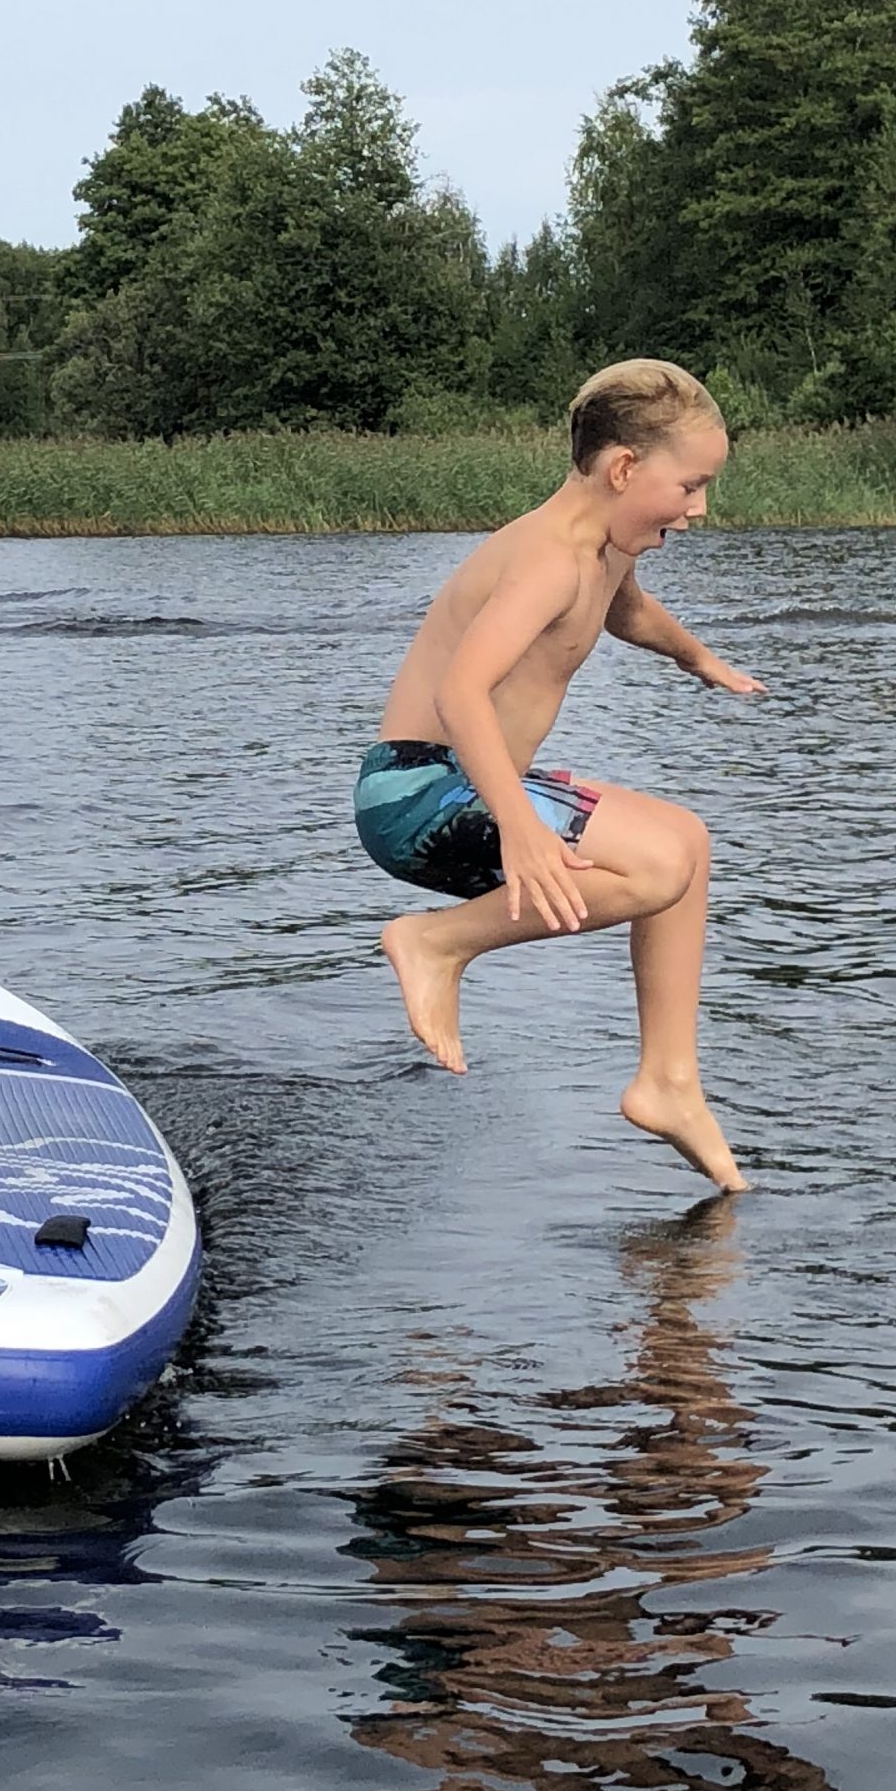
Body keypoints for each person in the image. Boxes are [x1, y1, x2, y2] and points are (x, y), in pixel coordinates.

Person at [354, 358, 762, 1191]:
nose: (699, 510)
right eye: (689, 486)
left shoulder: (603, 545)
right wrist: (523, 827)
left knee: (687, 841)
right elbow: (458, 691)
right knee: (654, 865)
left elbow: (625, 608)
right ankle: (433, 944)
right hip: (417, 790)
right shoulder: (547, 557)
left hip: (469, 781)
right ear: (623, 468)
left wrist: (696, 656)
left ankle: (669, 1082)